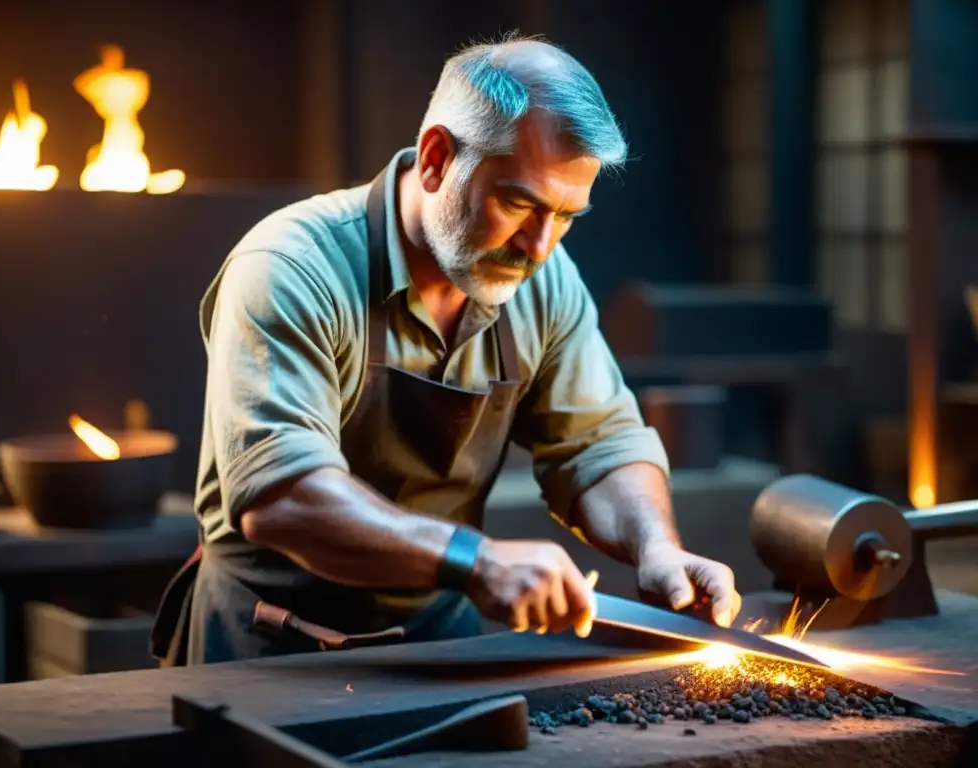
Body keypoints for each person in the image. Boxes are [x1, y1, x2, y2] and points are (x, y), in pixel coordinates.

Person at [151, 34, 742, 666]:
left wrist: (656, 546)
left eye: (567, 215)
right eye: (519, 202)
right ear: (435, 158)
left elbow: (599, 444)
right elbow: (283, 498)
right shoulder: (292, 265)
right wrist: (477, 560)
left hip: (434, 631)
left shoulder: (543, 277)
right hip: (270, 636)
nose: (541, 246)